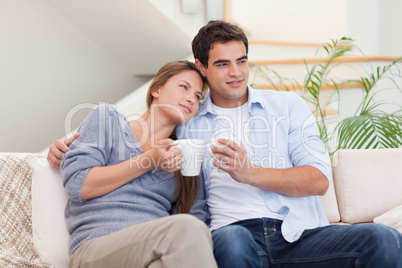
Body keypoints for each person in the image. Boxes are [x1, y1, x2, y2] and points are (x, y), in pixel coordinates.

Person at [49, 21, 402, 267]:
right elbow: (130, 154)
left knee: (382, 239)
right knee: (228, 242)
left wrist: (252, 174)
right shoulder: (185, 125)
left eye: (242, 61)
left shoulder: (287, 107)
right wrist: (63, 148)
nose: (236, 72)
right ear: (203, 67)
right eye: (222, 64)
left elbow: (318, 180)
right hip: (232, 235)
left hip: (300, 234)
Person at [57, 60, 217, 268]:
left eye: (198, 96)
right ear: (157, 89)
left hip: (152, 254)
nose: (191, 99)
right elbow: (78, 185)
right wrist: (149, 160)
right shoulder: (108, 119)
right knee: (187, 229)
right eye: (184, 87)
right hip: (96, 249)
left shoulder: (184, 154)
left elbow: (194, 220)